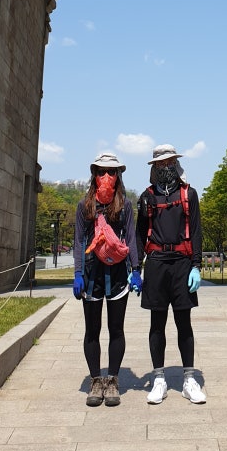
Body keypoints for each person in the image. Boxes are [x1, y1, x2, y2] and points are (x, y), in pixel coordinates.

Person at [136, 143, 206, 404]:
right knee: (157, 323)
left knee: (183, 322)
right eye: (160, 164)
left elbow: (197, 231)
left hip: (182, 263)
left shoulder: (190, 194)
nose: (166, 167)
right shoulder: (147, 197)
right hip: (155, 263)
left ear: (176, 164)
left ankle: (189, 379)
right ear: (154, 167)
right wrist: (135, 268)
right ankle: (159, 379)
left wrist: (197, 266)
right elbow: (139, 233)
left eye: (169, 162)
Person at [73, 152, 142, 407]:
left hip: (117, 274)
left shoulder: (125, 206)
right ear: (94, 174)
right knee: (92, 330)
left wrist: (136, 269)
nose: (106, 176)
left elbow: (131, 238)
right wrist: (77, 274)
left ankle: (112, 380)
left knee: (116, 328)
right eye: (101, 171)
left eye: (111, 172)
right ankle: (95, 379)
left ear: (118, 175)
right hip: (92, 275)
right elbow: (79, 240)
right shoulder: (85, 206)